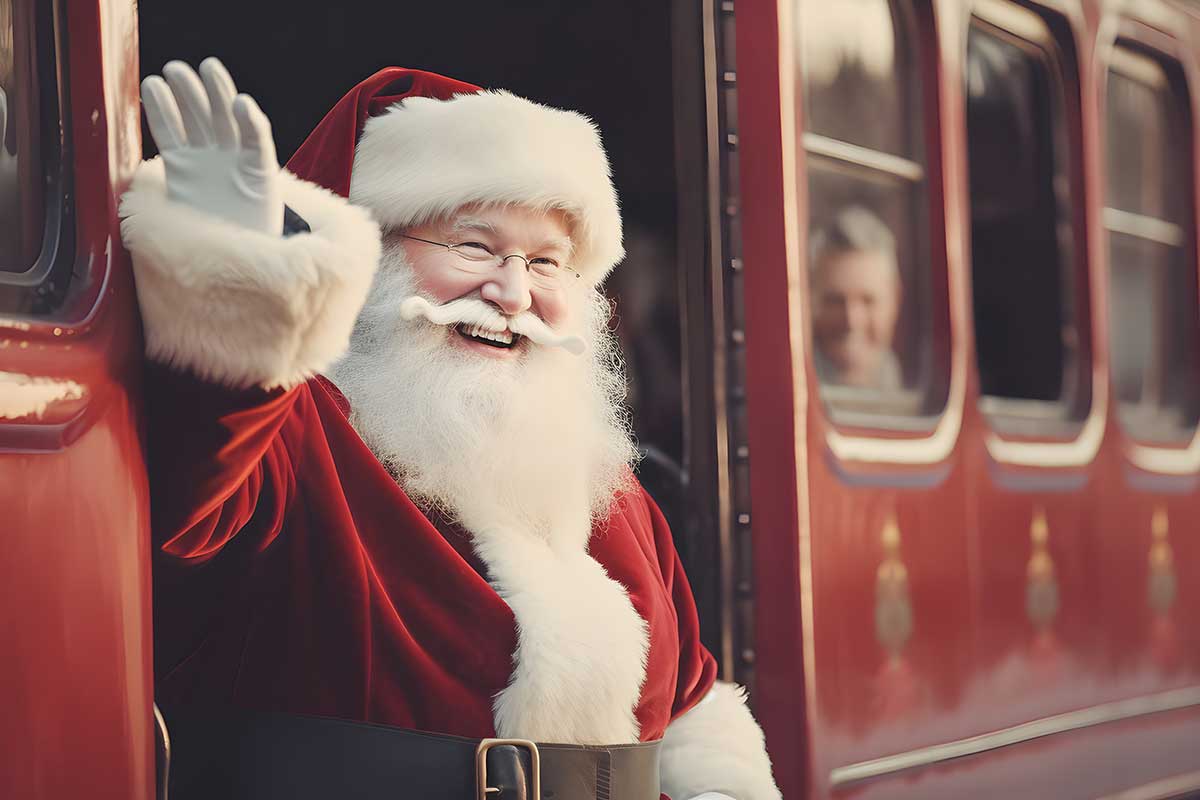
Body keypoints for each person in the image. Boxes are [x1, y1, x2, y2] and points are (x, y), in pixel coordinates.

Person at [120, 58, 780, 800]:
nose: (511, 292)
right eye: (474, 246)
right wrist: (241, 282)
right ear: (372, 259)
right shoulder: (291, 437)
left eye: (545, 261)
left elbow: (692, 705)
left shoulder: (613, 492)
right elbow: (184, 502)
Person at [809, 205, 903, 390]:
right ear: (810, 301)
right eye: (835, 301)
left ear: (895, 300)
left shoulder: (918, 395)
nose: (852, 320)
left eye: (868, 301)